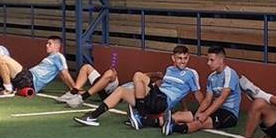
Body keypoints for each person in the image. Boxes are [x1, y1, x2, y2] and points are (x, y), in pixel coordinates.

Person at [74, 45, 202, 129]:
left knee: (138, 75)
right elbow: (171, 88)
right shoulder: (169, 69)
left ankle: (141, 116)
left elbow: (197, 94)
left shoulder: (191, 73)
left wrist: (204, 112)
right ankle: (93, 117)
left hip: (163, 102)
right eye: (179, 58)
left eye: (185, 58)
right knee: (120, 91)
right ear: (173, 58)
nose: (183, 61)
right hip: (154, 99)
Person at [162, 46, 241, 136]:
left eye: (211, 60)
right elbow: (207, 100)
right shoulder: (211, 77)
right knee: (181, 114)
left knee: (201, 122)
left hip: (229, 114)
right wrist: (199, 111)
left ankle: (173, 128)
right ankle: (150, 122)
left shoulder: (230, 74)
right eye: (208, 60)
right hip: (215, 109)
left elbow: (222, 98)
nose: (208, 63)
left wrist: (205, 114)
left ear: (221, 60)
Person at [0, 36, 79, 99]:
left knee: (1, 58)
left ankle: (8, 89)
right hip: (26, 78)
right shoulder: (50, 58)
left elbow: (65, 74)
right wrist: (71, 88)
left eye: (49, 44)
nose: (46, 45)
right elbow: (62, 75)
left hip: (29, 79)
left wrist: (75, 89)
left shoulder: (58, 56)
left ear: (57, 46)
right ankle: (9, 87)